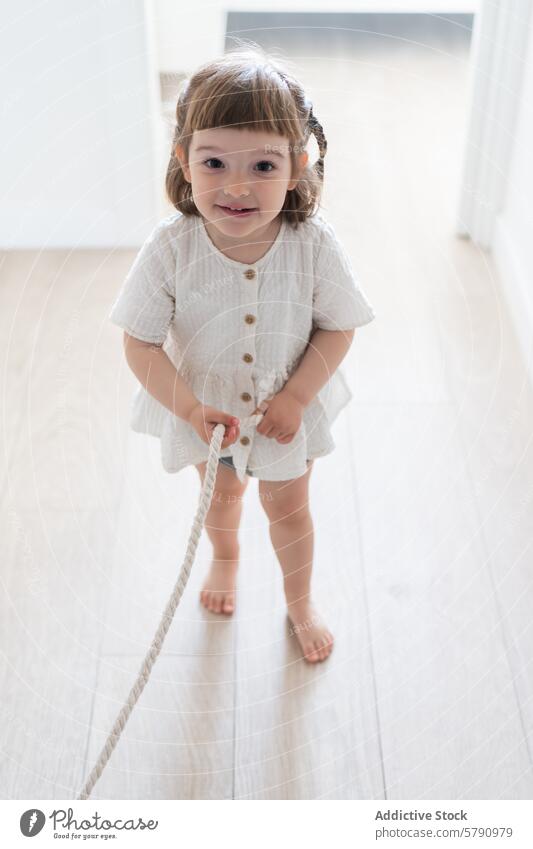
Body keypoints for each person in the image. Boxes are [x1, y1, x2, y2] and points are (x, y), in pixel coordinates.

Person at [108, 47, 376, 663]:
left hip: (287, 417)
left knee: (290, 512)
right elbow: (139, 341)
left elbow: (339, 328)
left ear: (298, 166)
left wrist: (298, 396)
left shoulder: (312, 244)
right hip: (208, 420)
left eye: (262, 164)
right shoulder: (171, 249)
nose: (236, 186)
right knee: (222, 505)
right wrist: (189, 407)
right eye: (214, 162)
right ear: (184, 159)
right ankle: (225, 559)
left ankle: (300, 600)